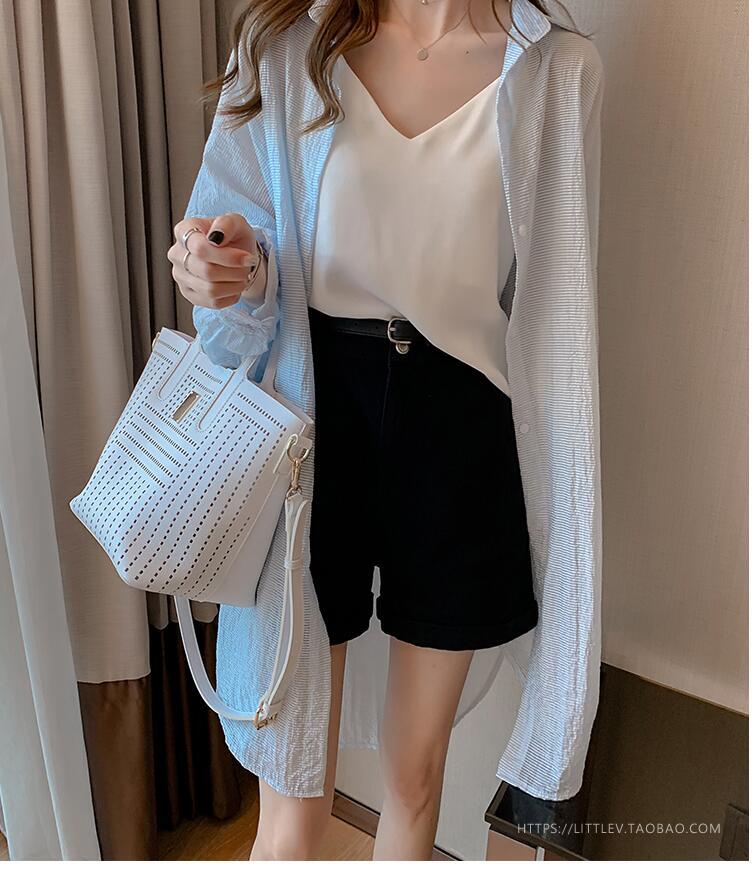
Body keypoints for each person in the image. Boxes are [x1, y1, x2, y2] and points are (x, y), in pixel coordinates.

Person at [167, 0, 604, 860]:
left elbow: (558, 313)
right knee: (292, 796)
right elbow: (238, 278)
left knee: (415, 779)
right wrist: (226, 273)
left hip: (461, 433)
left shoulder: (556, 70)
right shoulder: (287, 44)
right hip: (311, 422)